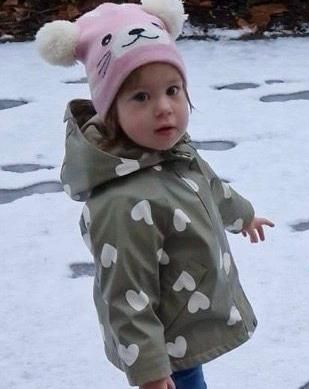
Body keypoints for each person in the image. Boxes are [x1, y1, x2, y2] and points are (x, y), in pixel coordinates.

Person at [36, 1, 274, 388]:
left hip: (186, 322)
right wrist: (149, 369)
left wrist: (243, 215)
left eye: (172, 90)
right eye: (140, 97)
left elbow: (211, 187)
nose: (164, 108)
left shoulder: (177, 152)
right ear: (110, 110)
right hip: (164, 343)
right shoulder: (121, 202)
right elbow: (126, 296)